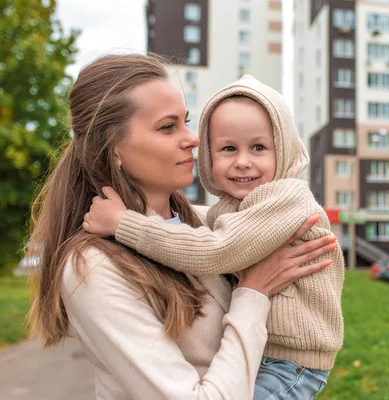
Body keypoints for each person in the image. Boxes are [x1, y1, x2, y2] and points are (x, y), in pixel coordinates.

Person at [26, 53, 337, 399]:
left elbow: (220, 246)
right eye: (167, 126)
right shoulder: (94, 267)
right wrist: (254, 292)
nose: (192, 139)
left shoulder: (209, 222)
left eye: (186, 122)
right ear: (114, 149)